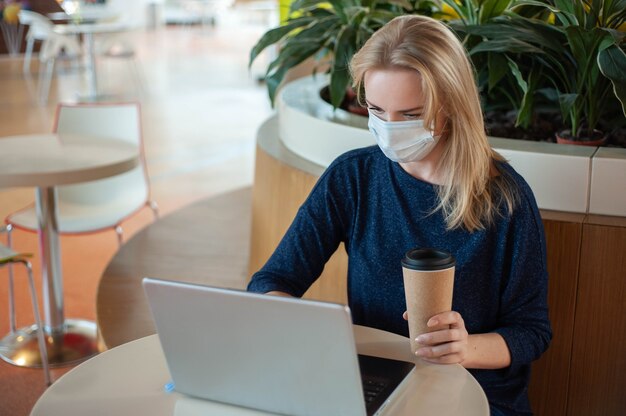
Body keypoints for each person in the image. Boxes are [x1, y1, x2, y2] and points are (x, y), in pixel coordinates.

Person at [247, 14, 551, 416]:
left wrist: (466, 348)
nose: (389, 128)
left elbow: (531, 332)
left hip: (476, 395)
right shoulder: (353, 177)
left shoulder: (505, 199)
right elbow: (272, 279)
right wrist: (288, 316)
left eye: (409, 115)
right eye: (376, 109)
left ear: (450, 105)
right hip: (374, 387)